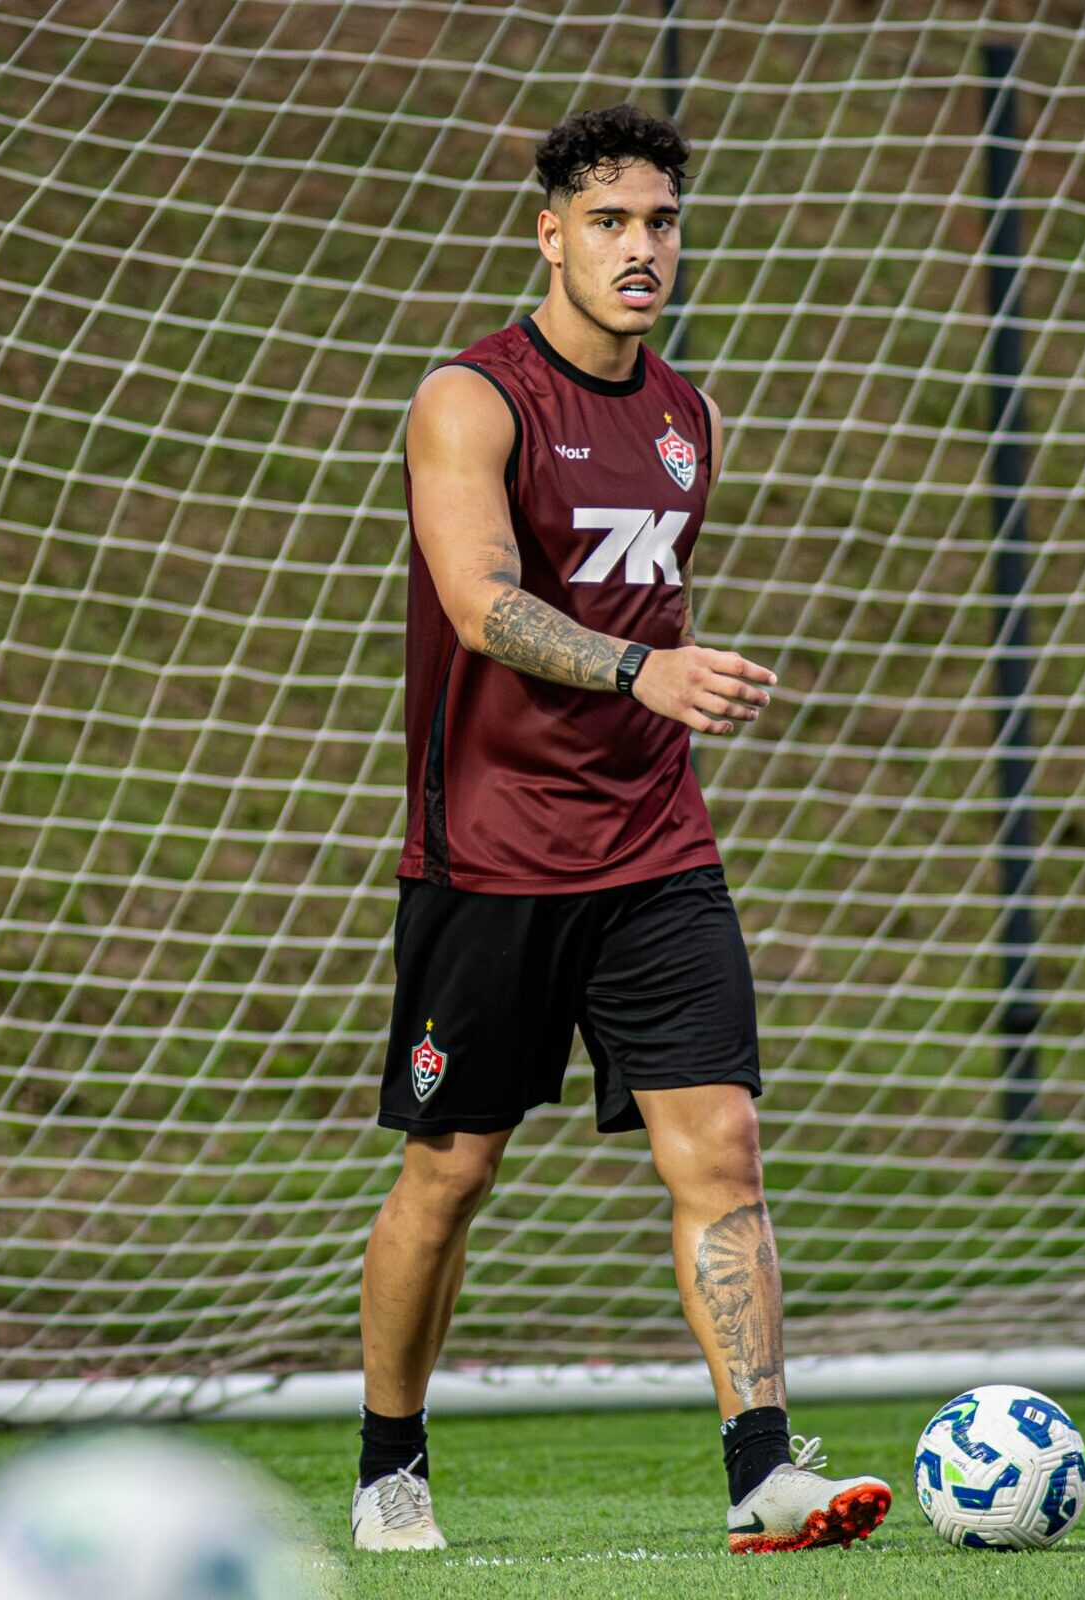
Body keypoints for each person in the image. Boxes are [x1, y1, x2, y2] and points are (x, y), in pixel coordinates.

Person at [349, 104, 892, 1556]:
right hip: (490, 857)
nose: (642, 249)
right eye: (610, 223)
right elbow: (481, 604)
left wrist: (669, 683)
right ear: (551, 234)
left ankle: (763, 1471)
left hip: (656, 846)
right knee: (451, 1173)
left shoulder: (690, 417)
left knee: (721, 1142)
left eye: (661, 223)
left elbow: (649, 604)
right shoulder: (472, 400)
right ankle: (388, 1465)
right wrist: (648, 669)